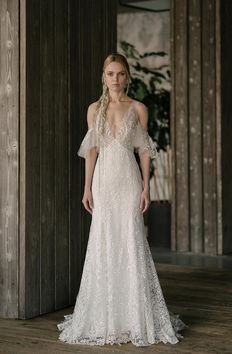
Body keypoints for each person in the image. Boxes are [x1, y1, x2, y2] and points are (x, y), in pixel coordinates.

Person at [57, 53, 187, 347]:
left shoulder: (139, 109)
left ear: (127, 77)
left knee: (130, 241)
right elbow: (91, 152)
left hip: (128, 183)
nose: (115, 79)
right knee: (104, 241)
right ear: (103, 78)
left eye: (120, 74)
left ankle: (134, 316)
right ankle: (106, 316)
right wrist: (87, 188)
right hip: (103, 183)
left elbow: (143, 152)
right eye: (110, 74)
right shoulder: (94, 110)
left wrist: (146, 189)